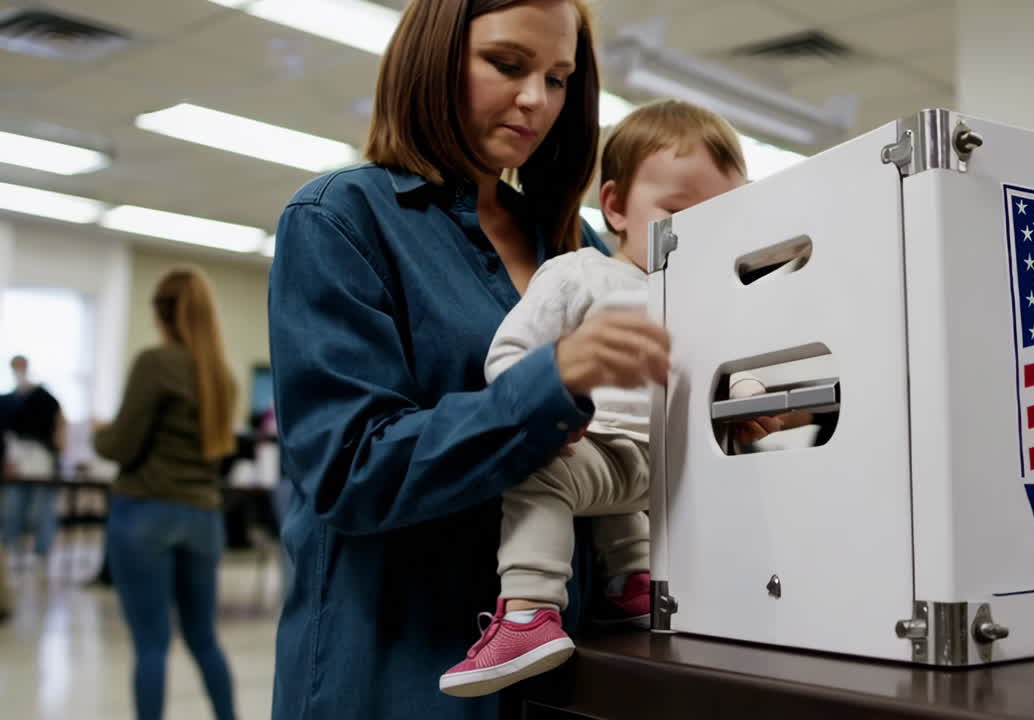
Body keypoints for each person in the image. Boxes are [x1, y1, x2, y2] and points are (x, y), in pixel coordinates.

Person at [265, 0, 684, 717]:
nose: (536, 100)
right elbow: (349, 471)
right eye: (507, 65)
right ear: (434, 58)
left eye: (558, 79)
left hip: (562, 674)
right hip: (398, 675)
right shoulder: (342, 220)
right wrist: (551, 383)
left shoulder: (575, 244)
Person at [439, 99, 783, 697]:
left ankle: (635, 584)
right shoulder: (580, 275)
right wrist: (546, 401)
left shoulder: (713, 297)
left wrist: (750, 399)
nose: (697, 238)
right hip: (595, 450)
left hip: (673, 472)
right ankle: (528, 611)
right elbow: (509, 355)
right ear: (617, 207)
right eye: (676, 214)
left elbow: (730, 370)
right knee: (535, 467)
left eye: (721, 220)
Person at [94, 268, 239, 720]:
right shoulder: (222, 377)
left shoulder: (155, 362)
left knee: (152, 644)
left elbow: (122, 445)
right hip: (203, 518)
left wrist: (100, 435)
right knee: (204, 639)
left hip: (146, 512)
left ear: (161, 313)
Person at [2, 355, 65, 565]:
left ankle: (42, 553)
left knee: (43, 510)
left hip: (43, 460)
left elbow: (58, 430)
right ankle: (10, 552)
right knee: (13, 509)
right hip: (16, 462)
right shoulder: (7, 401)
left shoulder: (46, 398)